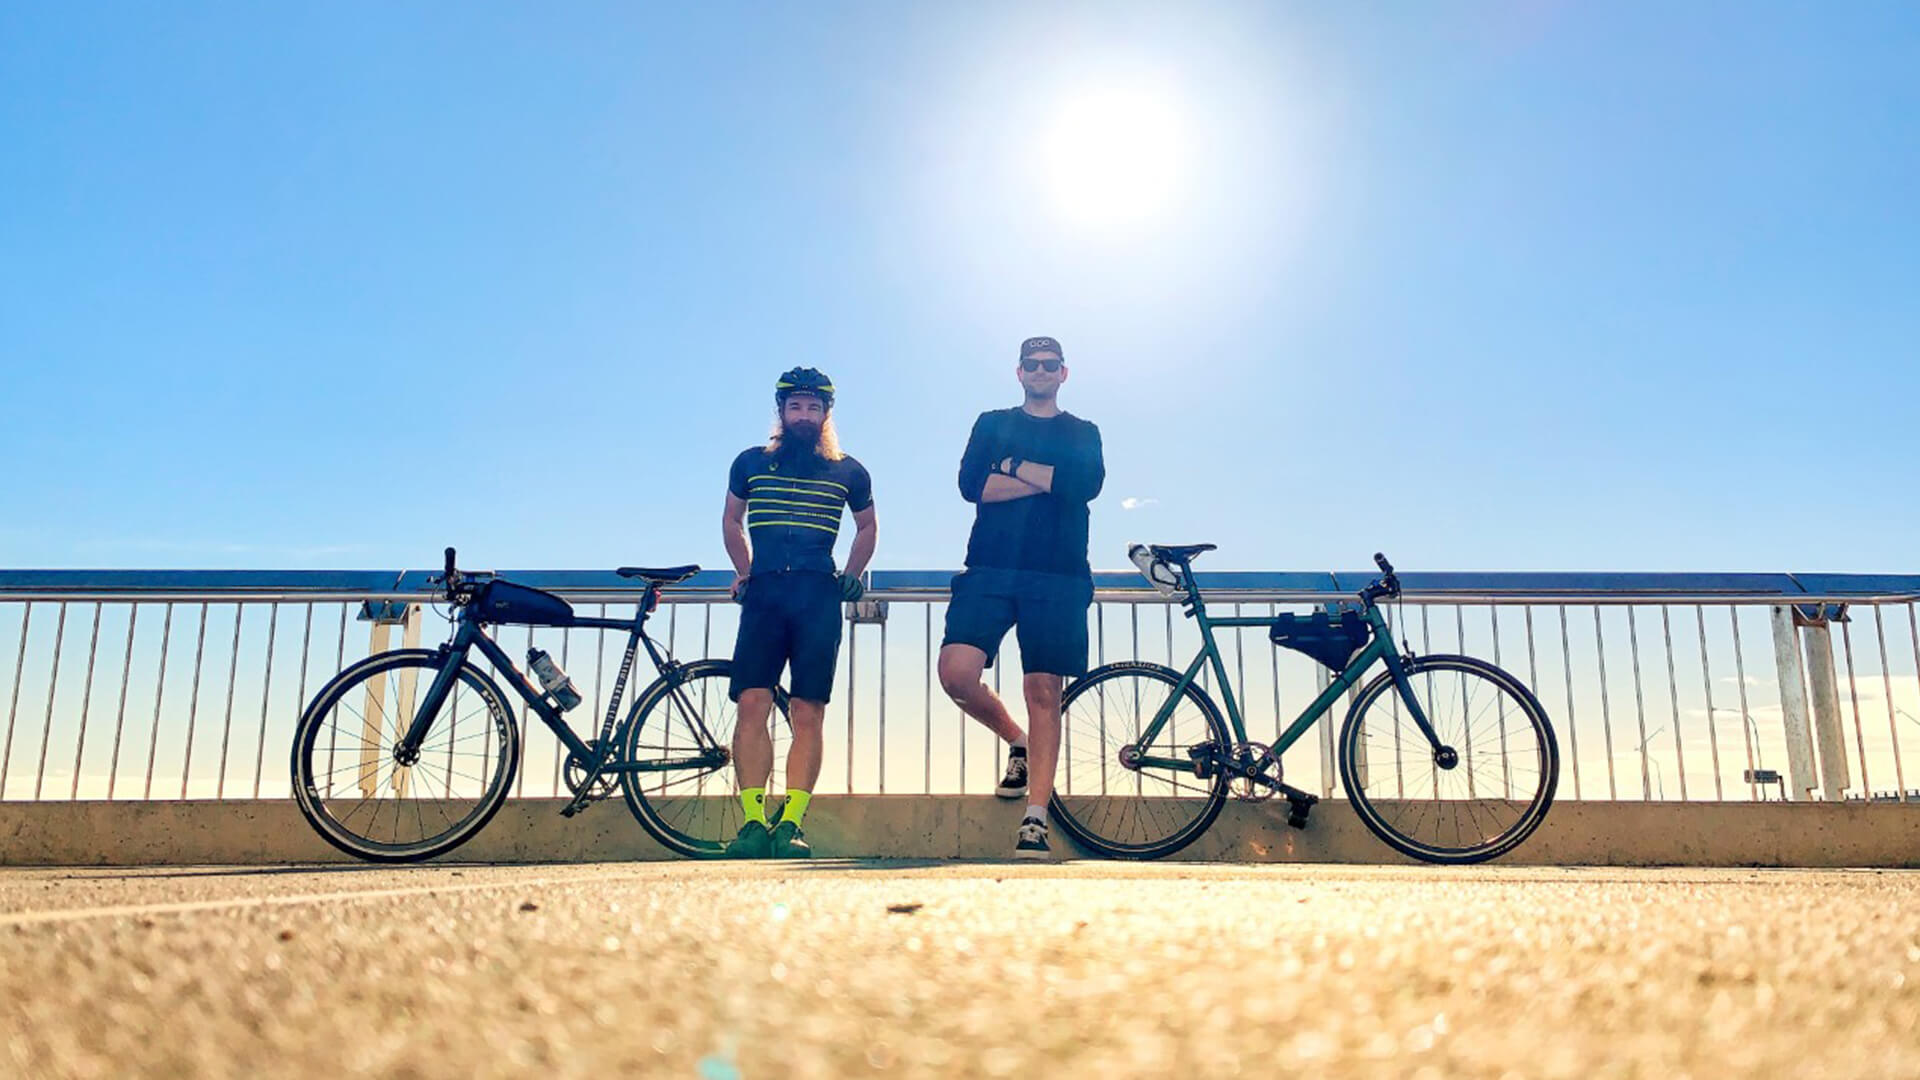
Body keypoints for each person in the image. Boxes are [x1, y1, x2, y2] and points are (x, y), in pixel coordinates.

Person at [937, 336, 1104, 859]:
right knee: (956, 674)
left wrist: (1011, 469)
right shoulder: (992, 423)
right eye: (1031, 365)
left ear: (1063, 373)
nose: (1039, 371)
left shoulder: (1083, 431)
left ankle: (1035, 818)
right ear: (1018, 372)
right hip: (990, 566)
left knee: (1043, 691)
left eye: (1048, 365)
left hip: (1057, 573)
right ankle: (1018, 741)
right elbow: (970, 486)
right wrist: (1049, 481)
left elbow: (1086, 484)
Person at [721, 367, 876, 858]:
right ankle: (751, 823)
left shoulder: (849, 470)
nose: (804, 415)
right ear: (782, 412)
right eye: (795, 407)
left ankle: (790, 824)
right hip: (765, 592)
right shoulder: (750, 463)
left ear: (826, 414)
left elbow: (868, 526)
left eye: (813, 407)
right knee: (753, 703)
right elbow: (731, 518)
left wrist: (853, 572)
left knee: (808, 712)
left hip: (818, 596)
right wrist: (744, 570)